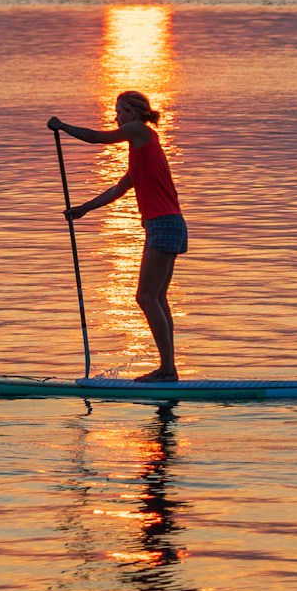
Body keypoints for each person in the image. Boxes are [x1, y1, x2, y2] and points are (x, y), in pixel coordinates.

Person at [47, 92, 186, 382]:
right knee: (157, 297)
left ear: (134, 113)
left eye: (119, 111)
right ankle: (168, 368)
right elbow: (117, 190)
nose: (116, 117)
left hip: (163, 225)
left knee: (146, 297)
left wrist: (63, 126)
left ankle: (167, 370)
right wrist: (84, 209)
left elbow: (98, 138)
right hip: (168, 225)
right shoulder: (142, 153)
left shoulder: (139, 130)